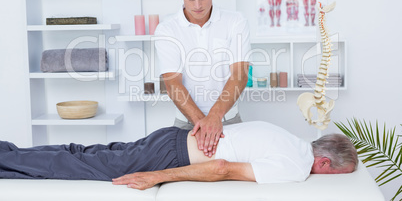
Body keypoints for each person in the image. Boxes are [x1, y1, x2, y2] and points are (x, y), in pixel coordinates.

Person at [0, 121, 358, 190]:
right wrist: (155, 177)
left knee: (85, 154)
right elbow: (219, 168)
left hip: (171, 137)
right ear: (324, 162)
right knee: (79, 165)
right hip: (168, 155)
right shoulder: (296, 167)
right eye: (333, 176)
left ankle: (8, 154)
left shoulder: (289, 136)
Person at [154, 0, 251, 157]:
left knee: (235, 183)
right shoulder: (167, 29)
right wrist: (203, 125)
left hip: (229, 120)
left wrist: (215, 117)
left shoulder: (235, 22)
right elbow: (173, 84)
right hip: (186, 124)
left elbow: (239, 75)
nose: (197, 5)